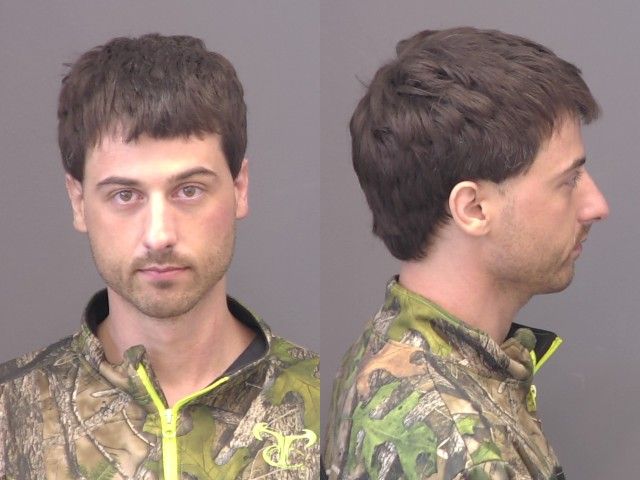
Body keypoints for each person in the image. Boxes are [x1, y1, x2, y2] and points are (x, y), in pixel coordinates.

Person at [0, 34, 319, 479]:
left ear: (240, 188)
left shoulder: (323, 402)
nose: (159, 235)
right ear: (78, 202)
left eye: (189, 190)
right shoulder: (10, 416)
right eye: (125, 195)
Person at [324, 27, 608, 480]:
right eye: (568, 180)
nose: (596, 205)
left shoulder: (387, 346)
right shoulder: (459, 450)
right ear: (473, 209)